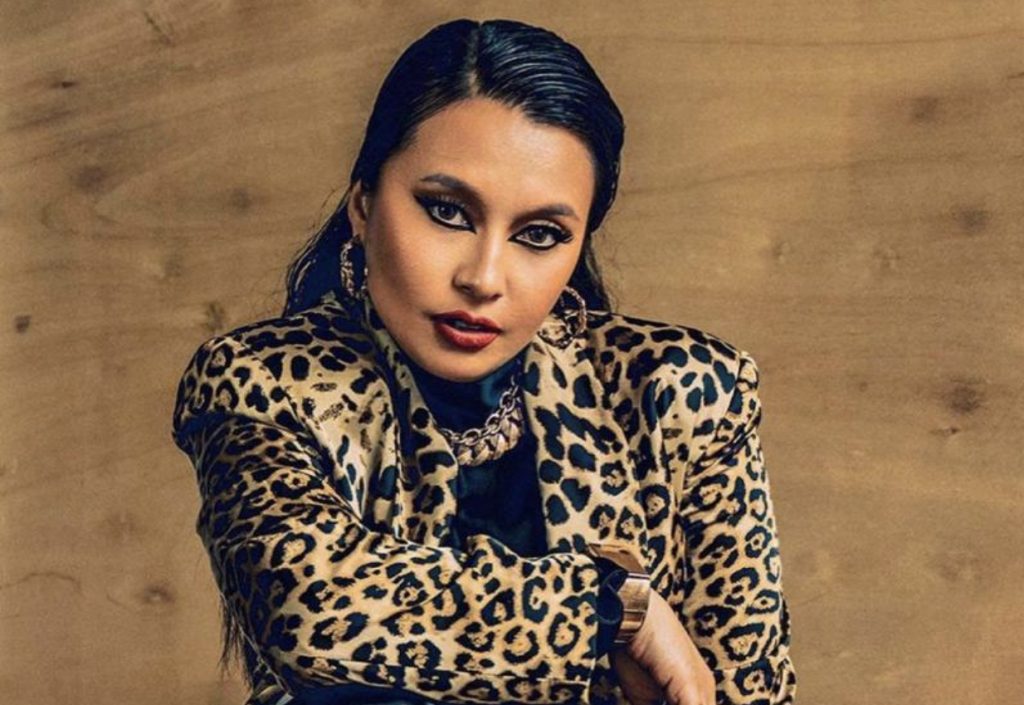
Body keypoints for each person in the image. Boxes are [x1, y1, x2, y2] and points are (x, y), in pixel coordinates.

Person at [170, 17, 796, 705]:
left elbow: (747, 688)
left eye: (540, 234)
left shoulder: (684, 393)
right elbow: (311, 612)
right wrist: (616, 608)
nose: (484, 277)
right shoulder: (258, 382)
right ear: (363, 204)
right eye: (447, 212)